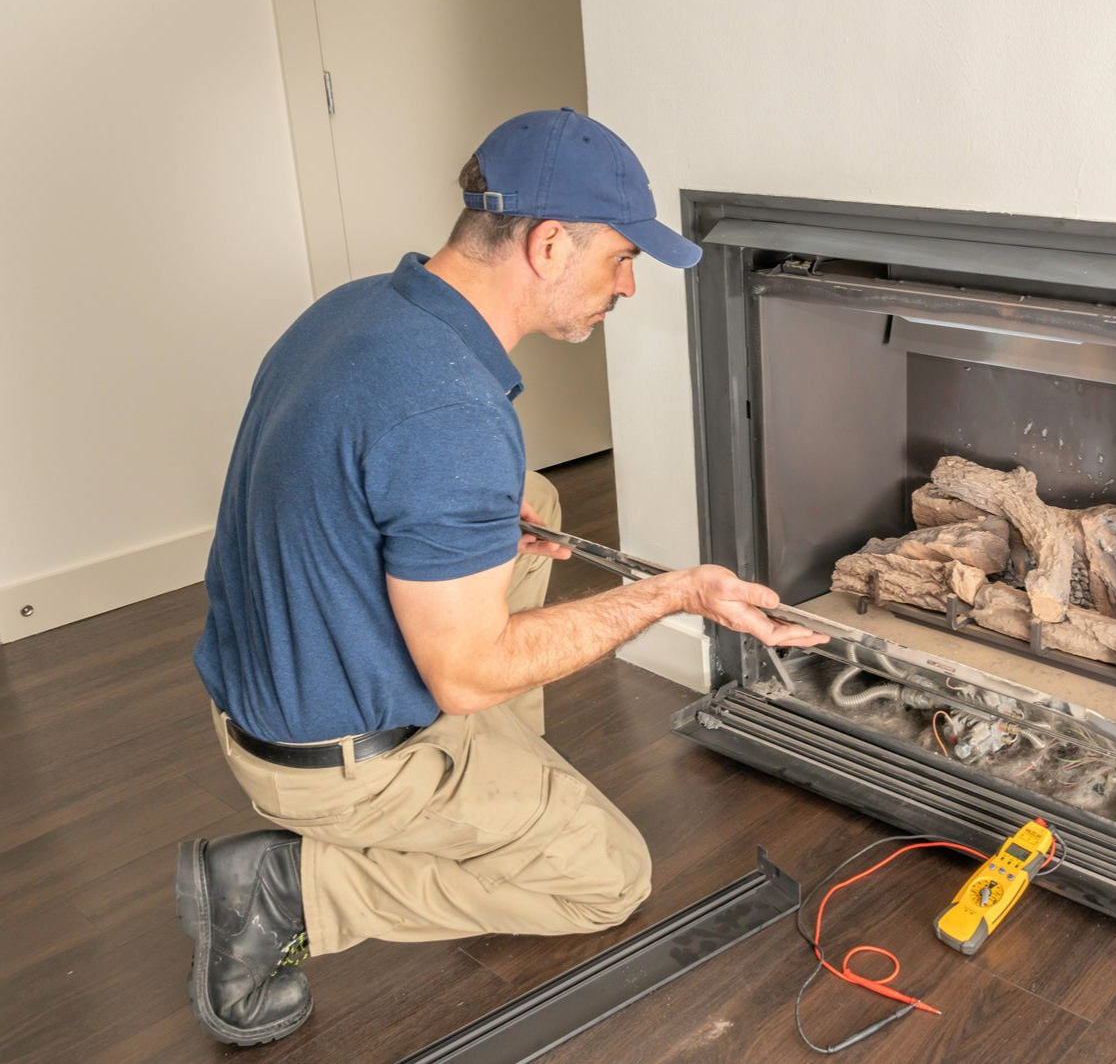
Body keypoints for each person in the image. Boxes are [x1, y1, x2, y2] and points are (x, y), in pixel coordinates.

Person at [176, 108, 820, 1046]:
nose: (629, 285)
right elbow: (466, 674)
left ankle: (497, 780)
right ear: (550, 243)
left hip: (259, 687)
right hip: (335, 765)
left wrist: (461, 535)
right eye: (621, 258)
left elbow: (363, 487)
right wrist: (673, 592)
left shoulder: (361, 310)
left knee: (533, 500)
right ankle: (287, 887)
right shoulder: (449, 412)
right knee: (607, 877)